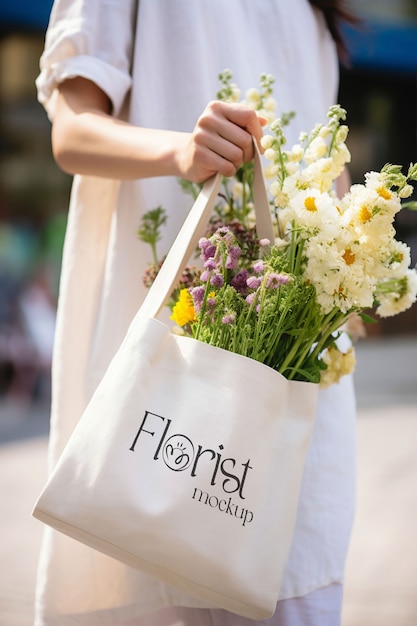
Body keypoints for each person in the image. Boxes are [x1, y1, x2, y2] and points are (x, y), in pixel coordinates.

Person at [34, 1, 357, 625]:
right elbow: (71, 130)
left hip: (289, 373)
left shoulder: (316, 13)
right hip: (169, 386)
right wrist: (184, 151)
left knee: (291, 582)